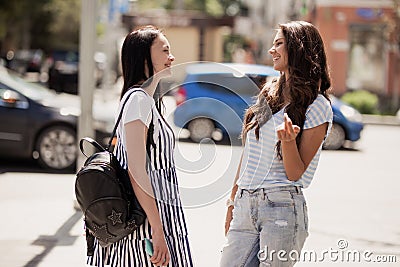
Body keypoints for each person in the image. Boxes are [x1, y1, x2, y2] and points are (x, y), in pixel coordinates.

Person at [220, 21, 333, 267]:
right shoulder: (269, 93)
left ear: (299, 48)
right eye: (273, 44)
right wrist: (232, 201)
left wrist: (289, 142)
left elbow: (295, 174)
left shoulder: (318, 106)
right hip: (245, 204)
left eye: (279, 43)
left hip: (282, 208)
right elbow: (249, 153)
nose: (272, 50)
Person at [87, 25, 194, 267]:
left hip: (150, 213)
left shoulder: (143, 100)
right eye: (165, 50)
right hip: (144, 219)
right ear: (143, 56)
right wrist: (157, 228)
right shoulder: (138, 101)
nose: (171, 57)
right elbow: (136, 170)